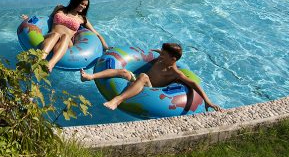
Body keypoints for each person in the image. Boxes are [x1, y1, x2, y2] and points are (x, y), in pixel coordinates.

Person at [86, 42, 222, 112]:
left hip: (151, 90)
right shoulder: (161, 59)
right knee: (124, 72)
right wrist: (158, 52)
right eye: (161, 53)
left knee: (144, 76)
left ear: (173, 59)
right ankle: (90, 76)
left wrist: (207, 101)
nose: (160, 56)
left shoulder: (175, 73)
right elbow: (158, 53)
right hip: (138, 80)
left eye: (164, 55)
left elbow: (193, 84)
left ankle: (117, 100)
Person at [24, 0, 108, 72]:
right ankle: (39, 60)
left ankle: (50, 64)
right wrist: (28, 20)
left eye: (86, 5)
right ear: (76, 1)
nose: (84, 7)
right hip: (52, 36)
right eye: (82, 4)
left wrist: (105, 47)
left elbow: (96, 33)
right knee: (56, 34)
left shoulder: (82, 19)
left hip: (66, 42)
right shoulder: (60, 8)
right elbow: (47, 19)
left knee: (65, 36)